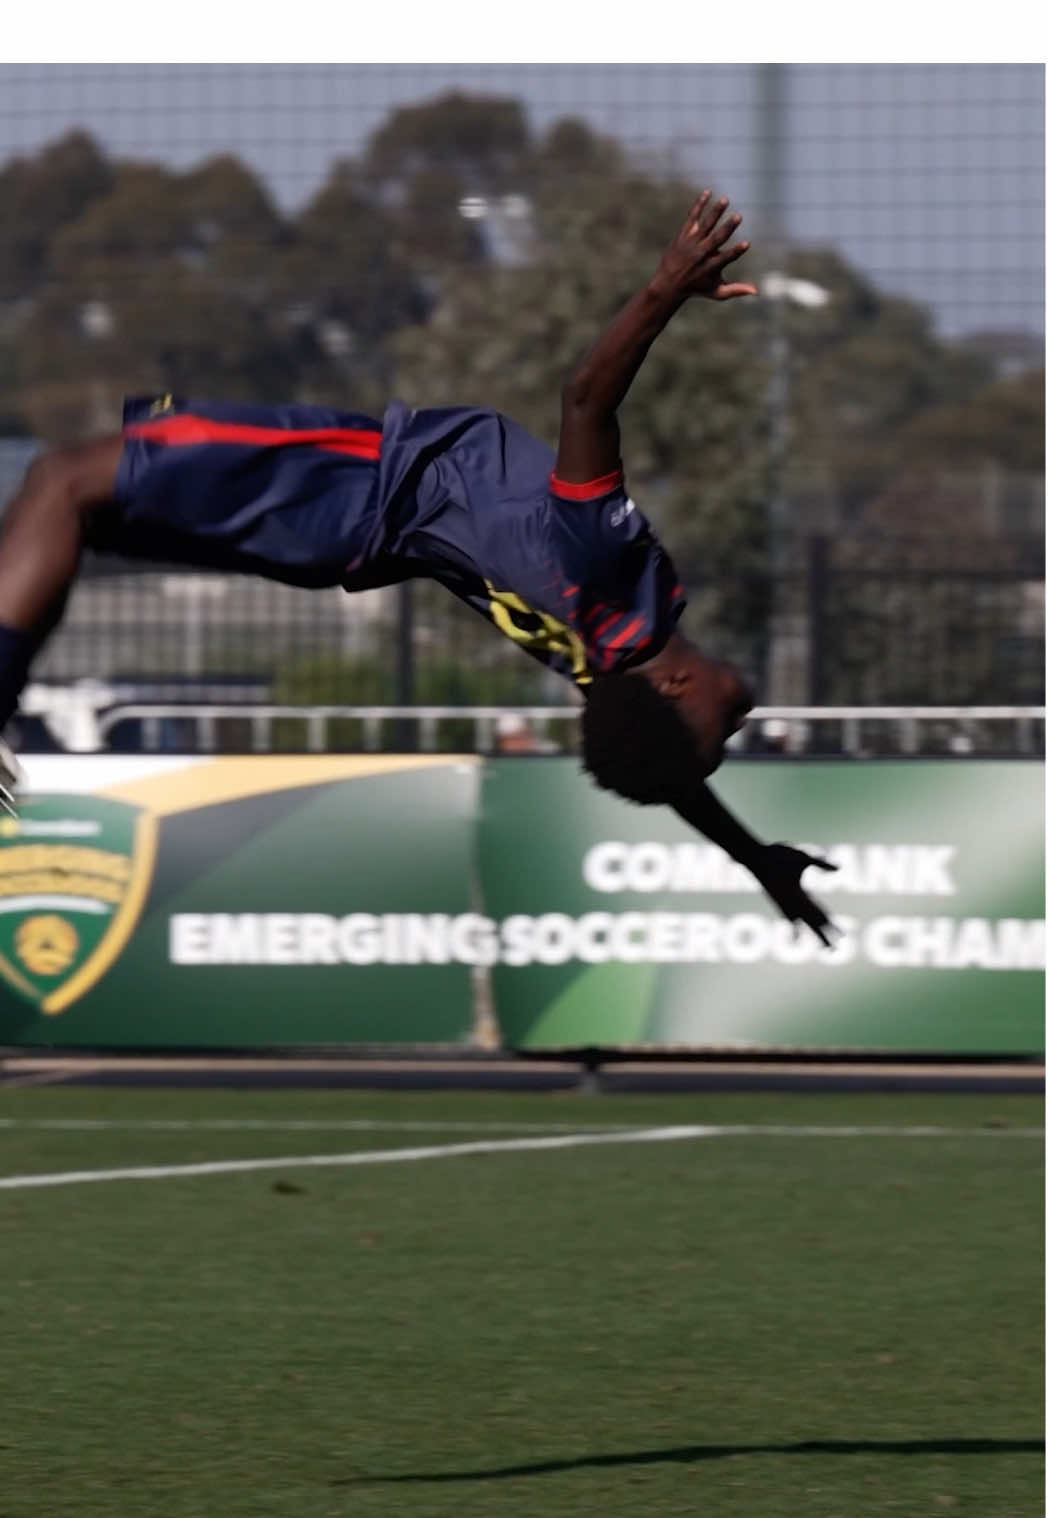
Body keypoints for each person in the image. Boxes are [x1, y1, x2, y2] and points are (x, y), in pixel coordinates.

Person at [0, 192, 836, 943]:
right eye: (726, 737)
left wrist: (665, 286)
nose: (738, 720)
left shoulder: (610, 582)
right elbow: (671, 770)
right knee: (73, 514)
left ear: (675, 690)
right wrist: (754, 857)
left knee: (60, 480)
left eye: (721, 734)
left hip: (354, 487)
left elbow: (586, 398)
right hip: (347, 532)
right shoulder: (606, 659)